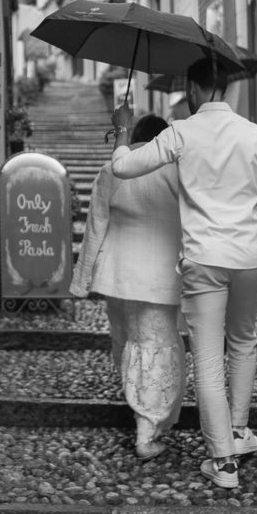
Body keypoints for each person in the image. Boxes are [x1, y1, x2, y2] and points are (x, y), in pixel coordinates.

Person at [109, 57, 257, 490]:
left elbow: (123, 167)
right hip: (250, 257)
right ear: (227, 90)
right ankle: (238, 432)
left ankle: (225, 463)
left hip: (204, 260)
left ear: (193, 89)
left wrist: (124, 129)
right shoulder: (256, 135)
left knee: (209, 361)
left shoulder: (181, 132)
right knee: (244, 342)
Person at [70, 114, 185, 460]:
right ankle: (147, 430)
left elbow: (94, 228)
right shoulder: (177, 169)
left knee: (129, 343)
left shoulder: (112, 170)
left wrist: (82, 281)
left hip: (118, 276)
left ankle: (142, 411)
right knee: (156, 347)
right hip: (162, 275)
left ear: (134, 137)